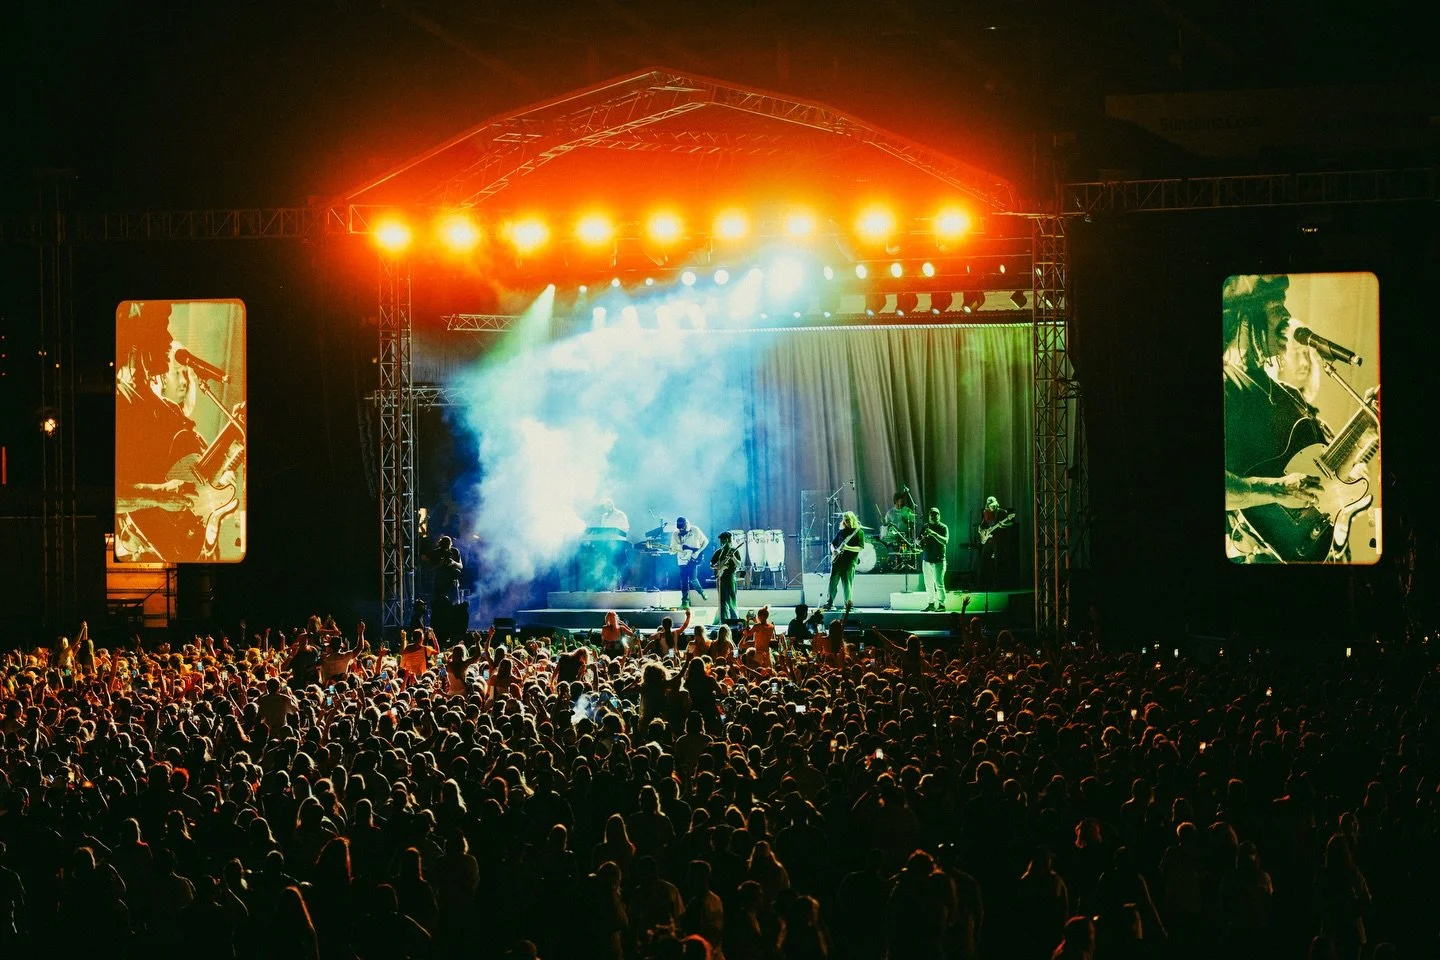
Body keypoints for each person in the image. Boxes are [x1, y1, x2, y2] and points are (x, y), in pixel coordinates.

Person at [1221, 274, 1329, 562]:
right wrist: (1277, 489)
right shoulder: (1225, 384)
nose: (1287, 316)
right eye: (1274, 307)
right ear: (1245, 318)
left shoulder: (1291, 395)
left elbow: (1325, 469)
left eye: (1284, 304)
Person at [825, 512, 865, 612]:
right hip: (837, 561)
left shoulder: (858, 532)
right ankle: (830, 603)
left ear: (853, 519)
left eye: (848, 520)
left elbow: (860, 548)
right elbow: (832, 544)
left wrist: (847, 547)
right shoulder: (841, 532)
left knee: (847, 584)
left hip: (849, 562)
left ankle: (848, 605)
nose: (846, 522)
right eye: (845, 520)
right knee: (832, 582)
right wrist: (833, 550)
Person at [669, 517, 710, 608]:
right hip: (682, 560)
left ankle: (701, 592)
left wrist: (698, 552)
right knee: (684, 581)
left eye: (683, 528)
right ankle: (685, 602)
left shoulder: (695, 530)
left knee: (693, 579)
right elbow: (672, 550)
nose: (681, 530)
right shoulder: (675, 534)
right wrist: (672, 550)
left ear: (687, 524)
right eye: (679, 528)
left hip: (693, 558)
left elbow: (705, 542)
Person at [977, 496, 1015, 590]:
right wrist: (981, 530)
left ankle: (997, 585)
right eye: (990, 506)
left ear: (996, 504)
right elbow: (984, 524)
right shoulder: (986, 512)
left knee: (998, 563)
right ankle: (983, 584)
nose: (992, 507)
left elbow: (1011, 524)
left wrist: (1003, 525)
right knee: (984, 560)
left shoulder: (1002, 512)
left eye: (994, 505)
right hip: (989, 540)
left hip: (999, 541)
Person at [919, 506, 950, 611]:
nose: (933, 516)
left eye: (935, 514)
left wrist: (933, 534)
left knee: (939, 583)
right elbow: (917, 540)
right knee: (928, 584)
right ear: (929, 516)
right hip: (926, 559)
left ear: (939, 516)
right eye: (931, 515)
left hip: (939, 560)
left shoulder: (943, 527)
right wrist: (919, 541)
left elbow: (945, 541)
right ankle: (931, 604)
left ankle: (942, 605)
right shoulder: (925, 526)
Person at [710, 531, 743, 622]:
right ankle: (723, 620)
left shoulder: (734, 551)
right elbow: (711, 564)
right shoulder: (718, 552)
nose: (722, 542)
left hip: (730, 578)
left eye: (723, 540)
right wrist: (719, 567)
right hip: (720, 579)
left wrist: (733, 557)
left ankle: (734, 620)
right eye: (721, 540)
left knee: (732, 600)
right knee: (722, 601)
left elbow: (739, 564)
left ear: (728, 540)